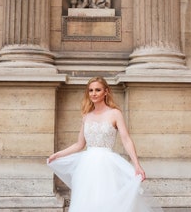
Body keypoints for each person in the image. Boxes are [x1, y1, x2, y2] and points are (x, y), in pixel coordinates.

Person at [47, 76, 153, 212]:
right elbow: (79, 144)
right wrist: (58, 154)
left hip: (107, 165)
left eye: (97, 90)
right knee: (86, 201)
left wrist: (137, 165)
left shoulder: (115, 113)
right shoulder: (86, 116)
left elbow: (126, 139)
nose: (93, 93)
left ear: (106, 92)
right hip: (87, 167)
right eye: (90, 90)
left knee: (106, 200)